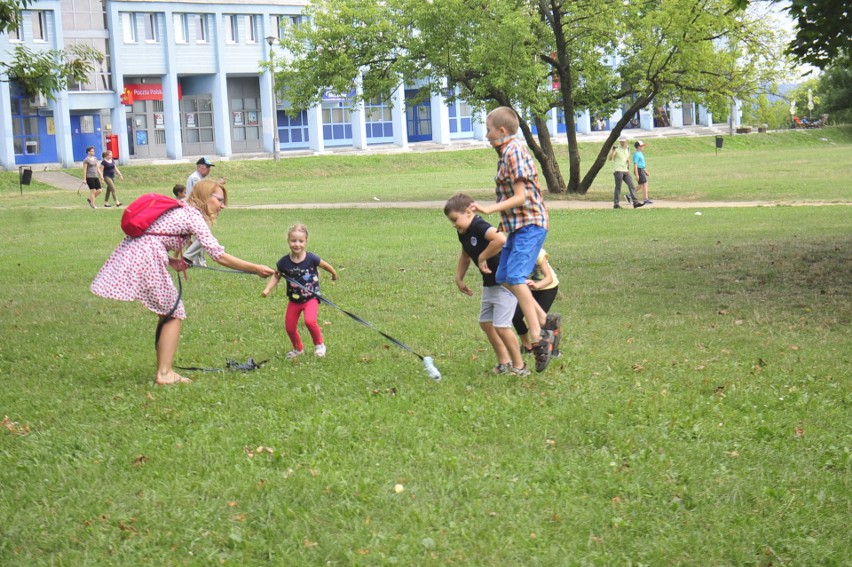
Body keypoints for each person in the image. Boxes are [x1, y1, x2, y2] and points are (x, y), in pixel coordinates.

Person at [90, 179, 275, 385]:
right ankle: (164, 373)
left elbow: (154, 235)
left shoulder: (182, 209)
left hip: (141, 252)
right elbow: (218, 255)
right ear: (206, 197)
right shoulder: (192, 215)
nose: (223, 205)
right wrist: (255, 268)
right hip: (146, 256)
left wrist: (172, 260)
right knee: (174, 312)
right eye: (219, 200)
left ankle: (164, 369)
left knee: (168, 312)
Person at [471, 106, 560, 373]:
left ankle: (537, 335)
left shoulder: (515, 151)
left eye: (488, 130)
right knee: (505, 277)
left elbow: (521, 196)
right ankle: (545, 321)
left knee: (517, 277)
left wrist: (489, 209)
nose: (486, 135)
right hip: (517, 226)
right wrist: (503, 221)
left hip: (530, 225)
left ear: (502, 130)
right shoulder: (505, 153)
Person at [444, 193, 528, 377]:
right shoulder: (463, 231)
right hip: (489, 283)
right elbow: (465, 255)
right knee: (486, 323)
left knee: (502, 327)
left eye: (455, 219)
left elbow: (501, 239)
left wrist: (483, 256)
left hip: (505, 282)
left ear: (468, 212)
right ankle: (504, 362)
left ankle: (520, 366)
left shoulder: (479, 225)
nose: (454, 224)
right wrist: (459, 278)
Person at [261, 223, 339, 359]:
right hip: (294, 300)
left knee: (310, 321)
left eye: (300, 241)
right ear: (288, 241)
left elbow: (325, 265)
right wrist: (267, 289)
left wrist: (333, 273)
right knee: (290, 327)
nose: (297, 244)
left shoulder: (311, 259)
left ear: (306, 241)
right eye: (293, 241)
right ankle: (298, 349)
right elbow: (277, 275)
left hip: (311, 298)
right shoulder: (284, 262)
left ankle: (320, 345)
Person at [512, 248, 560, 356]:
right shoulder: (513, 253)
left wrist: (537, 285)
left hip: (548, 288)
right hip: (528, 289)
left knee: (539, 320)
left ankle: (553, 348)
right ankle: (527, 346)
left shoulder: (538, 253)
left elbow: (549, 278)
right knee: (515, 316)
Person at [184, 158, 224, 266]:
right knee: (205, 235)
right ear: (199, 166)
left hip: (197, 209)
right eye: (207, 167)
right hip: (197, 210)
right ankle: (188, 257)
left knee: (201, 236)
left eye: (209, 167)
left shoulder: (197, 177)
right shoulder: (195, 178)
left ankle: (199, 262)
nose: (208, 169)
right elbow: (203, 192)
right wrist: (217, 184)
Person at [608, 137, 643, 209]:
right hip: (618, 170)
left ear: (626, 141)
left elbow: (627, 158)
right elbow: (610, 158)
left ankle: (635, 202)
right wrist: (613, 150)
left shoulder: (628, 148)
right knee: (618, 187)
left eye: (623, 141)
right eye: (621, 141)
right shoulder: (617, 148)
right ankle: (616, 204)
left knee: (632, 185)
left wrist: (628, 163)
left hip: (625, 170)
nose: (622, 143)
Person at [632, 140, 652, 205]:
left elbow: (642, 164)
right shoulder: (636, 154)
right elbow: (635, 164)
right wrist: (637, 174)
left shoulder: (640, 153)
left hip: (641, 169)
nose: (643, 147)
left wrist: (645, 171)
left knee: (641, 185)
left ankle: (630, 195)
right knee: (645, 184)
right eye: (641, 146)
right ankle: (645, 199)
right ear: (638, 147)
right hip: (639, 170)